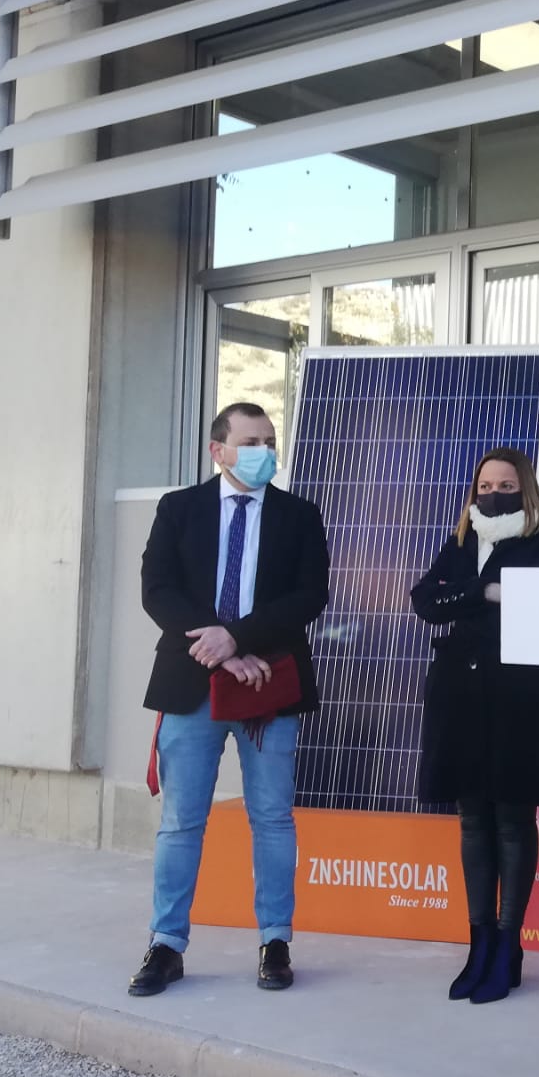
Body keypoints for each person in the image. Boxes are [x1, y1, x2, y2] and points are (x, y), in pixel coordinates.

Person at [129, 402, 329, 997]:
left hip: (269, 683)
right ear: (218, 450)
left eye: (270, 440)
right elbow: (157, 590)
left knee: (270, 818)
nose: (264, 450)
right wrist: (218, 647)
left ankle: (275, 940)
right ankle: (166, 945)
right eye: (250, 441)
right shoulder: (179, 509)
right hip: (192, 685)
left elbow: (309, 596)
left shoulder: (298, 514)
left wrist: (239, 638)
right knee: (181, 822)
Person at [411, 448, 539, 1005]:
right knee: (471, 819)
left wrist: (474, 602)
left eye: (505, 483)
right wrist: (481, 593)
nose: (494, 491)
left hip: (518, 693)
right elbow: (424, 601)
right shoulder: (461, 541)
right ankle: (477, 943)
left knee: (511, 818)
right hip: (459, 691)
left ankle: (508, 945)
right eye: (486, 482)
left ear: (524, 488)